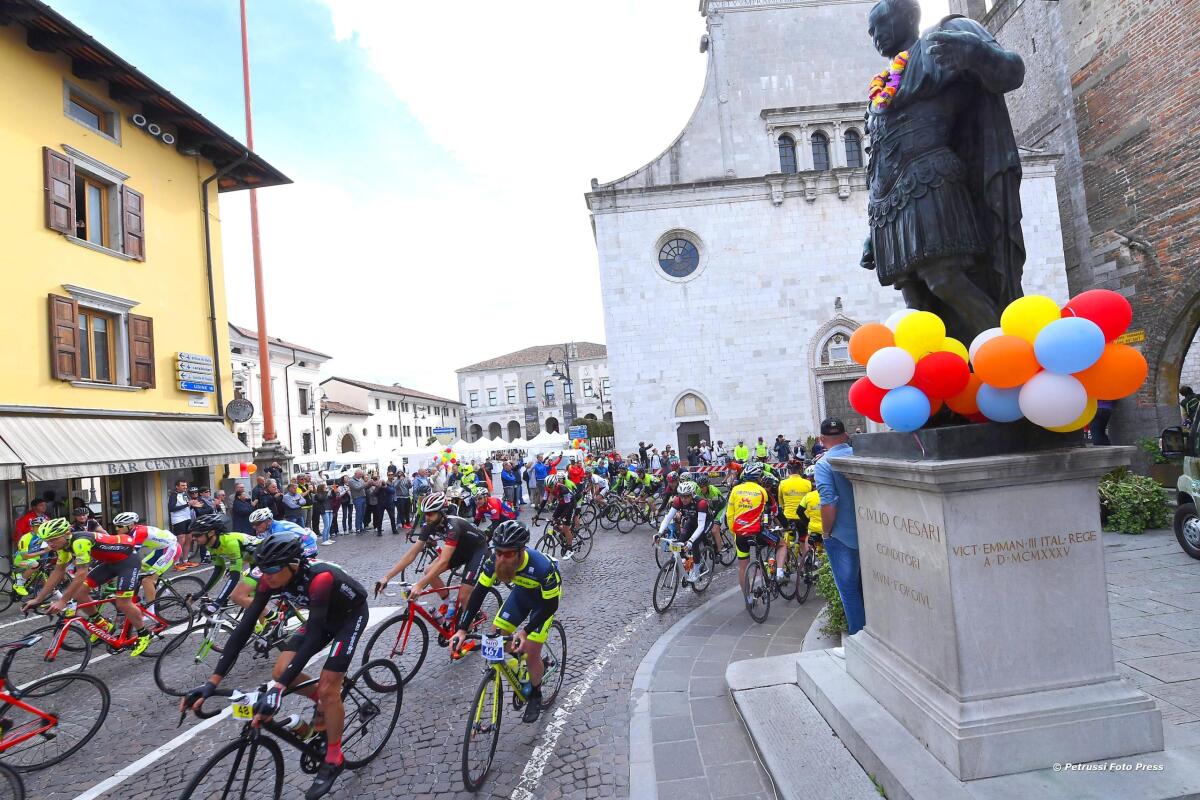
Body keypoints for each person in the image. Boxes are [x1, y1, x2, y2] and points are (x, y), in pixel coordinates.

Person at [181, 532, 368, 800]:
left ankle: (335, 755)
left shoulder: (321, 578)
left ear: (293, 565)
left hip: (349, 618)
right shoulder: (270, 580)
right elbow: (244, 627)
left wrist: (278, 690)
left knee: (328, 688)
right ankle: (322, 706)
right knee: (280, 671)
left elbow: (314, 634)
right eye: (261, 568)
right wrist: (212, 682)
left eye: (271, 569)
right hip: (321, 618)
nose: (265, 575)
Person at [450, 520, 561, 723]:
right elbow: (478, 594)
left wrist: (525, 631)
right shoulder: (494, 561)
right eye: (499, 551)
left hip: (543, 603)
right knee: (496, 633)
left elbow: (550, 606)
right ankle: (520, 668)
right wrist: (462, 630)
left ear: (521, 551)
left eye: (508, 553)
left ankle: (536, 694)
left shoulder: (542, 567)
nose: (501, 557)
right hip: (521, 595)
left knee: (531, 650)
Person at [22, 515, 154, 656]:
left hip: (128, 562)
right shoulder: (63, 546)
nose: (51, 544)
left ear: (66, 534)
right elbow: (58, 571)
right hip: (110, 562)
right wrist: (38, 599)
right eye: (47, 540)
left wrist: (63, 601)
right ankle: (103, 624)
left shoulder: (80, 542)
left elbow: (81, 574)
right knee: (80, 593)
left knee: (123, 603)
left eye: (53, 539)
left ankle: (144, 633)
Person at [374, 491, 489, 630]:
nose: (426, 518)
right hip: (460, 550)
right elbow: (411, 554)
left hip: (477, 551)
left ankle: (467, 635)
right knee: (428, 570)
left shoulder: (453, 526)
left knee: (464, 597)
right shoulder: (428, 526)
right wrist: (386, 577)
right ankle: (448, 603)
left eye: (430, 514)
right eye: (425, 514)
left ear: (441, 512)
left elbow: (443, 561)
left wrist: (420, 585)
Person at [814, 417, 864, 635]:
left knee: (849, 591)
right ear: (846, 435)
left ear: (822, 440)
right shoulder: (860, 456)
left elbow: (829, 501)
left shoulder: (824, 464)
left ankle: (858, 639)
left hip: (842, 536)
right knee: (868, 587)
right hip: (868, 532)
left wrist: (826, 532)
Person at [726, 462, 781, 607]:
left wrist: (734, 531)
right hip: (758, 533)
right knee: (781, 544)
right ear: (758, 478)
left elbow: (729, 514)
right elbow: (769, 512)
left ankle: (747, 599)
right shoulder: (762, 491)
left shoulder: (735, 490)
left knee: (743, 567)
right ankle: (778, 571)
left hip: (740, 534)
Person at [190, 514, 261, 611]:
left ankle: (273, 618)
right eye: (192, 535)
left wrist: (216, 604)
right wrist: (199, 594)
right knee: (248, 599)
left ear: (211, 533)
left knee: (240, 596)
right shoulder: (210, 545)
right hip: (252, 561)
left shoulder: (230, 543)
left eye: (197, 535)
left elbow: (235, 576)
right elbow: (219, 570)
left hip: (265, 560)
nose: (193, 538)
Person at [114, 512, 180, 617]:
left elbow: (130, 552)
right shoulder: (129, 531)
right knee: (141, 568)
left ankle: (150, 612)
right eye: (116, 526)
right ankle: (160, 588)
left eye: (119, 526)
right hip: (160, 549)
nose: (117, 529)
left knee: (147, 580)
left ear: (130, 525)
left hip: (171, 548)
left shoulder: (139, 532)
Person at [657, 480, 709, 583]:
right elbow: (667, 518)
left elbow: (701, 525)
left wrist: (690, 541)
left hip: (705, 522)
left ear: (692, 495)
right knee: (680, 541)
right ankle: (686, 560)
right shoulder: (678, 500)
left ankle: (696, 570)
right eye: (682, 496)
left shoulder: (701, 503)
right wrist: (659, 533)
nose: (684, 499)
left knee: (694, 543)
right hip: (692, 520)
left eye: (686, 496)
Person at [777, 461, 813, 579]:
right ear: (800, 470)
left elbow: (780, 502)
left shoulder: (782, 483)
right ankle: (805, 566)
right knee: (803, 541)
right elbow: (810, 500)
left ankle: (785, 567)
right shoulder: (807, 483)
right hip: (803, 518)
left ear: (788, 471)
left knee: (786, 542)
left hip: (788, 517)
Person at [537, 474, 579, 552]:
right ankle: (565, 534)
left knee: (566, 528)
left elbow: (568, 505)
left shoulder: (563, 489)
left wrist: (561, 518)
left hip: (570, 504)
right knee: (553, 522)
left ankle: (570, 549)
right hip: (562, 503)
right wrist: (537, 515)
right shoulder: (548, 488)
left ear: (555, 484)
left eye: (551, 487)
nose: (549, 489)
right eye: (548, 487)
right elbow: (544, 501)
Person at [167, 480, 197, 570]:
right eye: (183, 485)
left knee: (189, 539)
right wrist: (187, 504)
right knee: (181, 540)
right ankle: (176, 563)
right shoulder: (173, 495)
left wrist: (193, 504)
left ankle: (185, 560)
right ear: (177, 486)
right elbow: (171, 508)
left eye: (185, 485)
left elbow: (187, 505)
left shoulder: (185, 494)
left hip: (187, 518)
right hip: (178, 520)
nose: (185, 487)